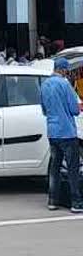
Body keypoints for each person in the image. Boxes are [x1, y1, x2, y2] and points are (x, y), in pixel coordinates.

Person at [41, 58, 82, 212]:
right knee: (73, 168)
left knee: (54, 168)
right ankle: (76, 203)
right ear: (64, 70)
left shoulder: (44, 85)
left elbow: (44, 110)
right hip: (67, 132)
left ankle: (52, 200)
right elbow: (75, 110)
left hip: (52, 132)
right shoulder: (65, 84)